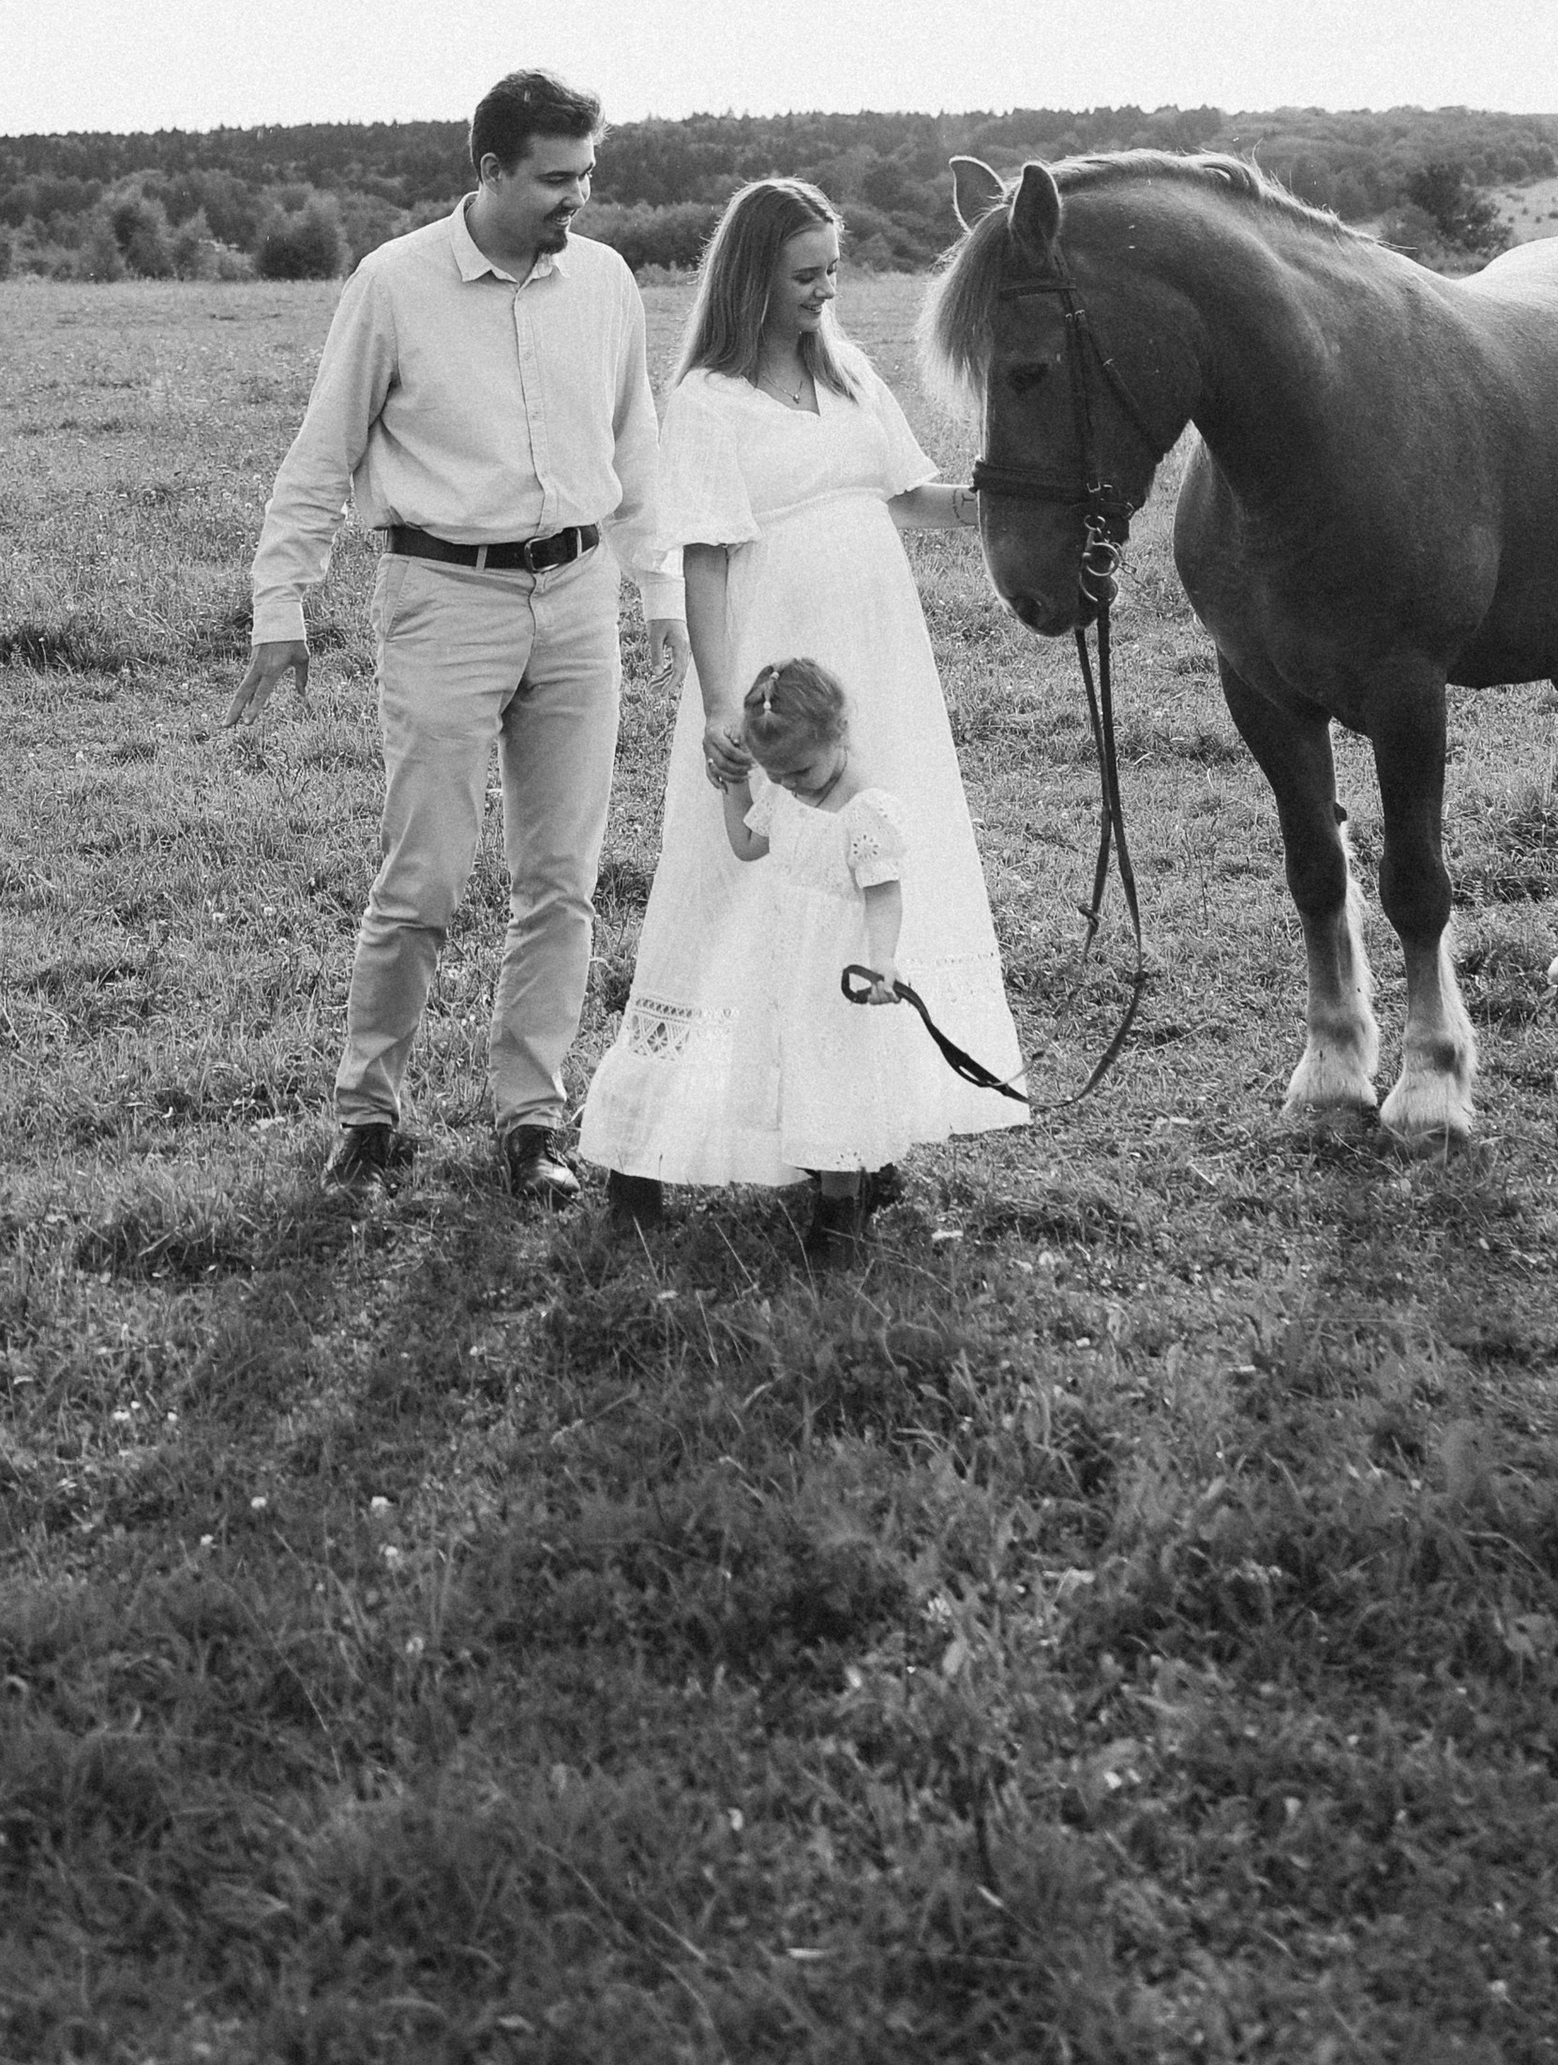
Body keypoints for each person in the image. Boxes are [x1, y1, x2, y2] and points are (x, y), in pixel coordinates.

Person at [228, 69, 672, 1207]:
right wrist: (282, 607)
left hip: (578, 599)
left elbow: (640, 452)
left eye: (587, 175)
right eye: (554, 178)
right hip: (441, 597)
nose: (577, 198)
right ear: (488, 171)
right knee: (422, 876)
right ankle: (367, 1111)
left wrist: (662, 597)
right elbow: (323, 455)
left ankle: (532, 1120)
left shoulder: (607, 282)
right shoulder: (394, 283)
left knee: (561, 880)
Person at [577, 178, 1024, 1231]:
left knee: (861, 874)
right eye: (806, 274)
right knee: (741, 880)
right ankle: (649, 1144)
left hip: (879, 662)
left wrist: (998, 503)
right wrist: (723, 705)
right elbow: (708, 558)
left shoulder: (851, 374)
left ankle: (851, 1134)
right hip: (773, 667)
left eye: (834, 267)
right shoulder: (710, 401)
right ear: (751, 278)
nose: (828, 288)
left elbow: (907, 494)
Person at [707, 657, 923, 1241]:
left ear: (840, 734)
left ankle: (838, 1220)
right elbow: (749, 845)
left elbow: (884, 897)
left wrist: (883, 961)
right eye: (775, 775)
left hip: (837, 982)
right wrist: (736, 784)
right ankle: (856, 1176)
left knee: (837, 1088)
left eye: (799, 770)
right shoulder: (784, 793)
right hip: (788, 972)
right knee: (802, 1079)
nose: (790, 785)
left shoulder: (865, 810)